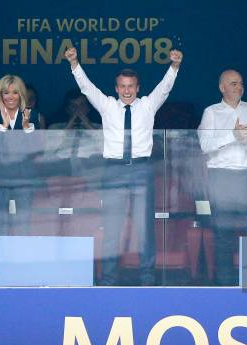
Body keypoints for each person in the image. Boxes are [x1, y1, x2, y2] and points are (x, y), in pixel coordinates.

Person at [65, 46, 183, 286]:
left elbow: (166, 87)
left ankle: (147, 279)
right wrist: (75, 63)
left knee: (144, 229)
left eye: (131, 86)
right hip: (113, 170)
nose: (127, 91)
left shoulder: (148, 105)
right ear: (116, 88)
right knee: (112, 228)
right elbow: (86, 87)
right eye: (123, 86)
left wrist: (174, 66)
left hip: (141, 169)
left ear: (138, 88)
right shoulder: (107, 105)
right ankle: (108, 280)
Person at [198, 69, 247, 286]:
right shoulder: (211, 112)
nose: (238, 87)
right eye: (233, 83)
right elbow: (205, 145)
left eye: (240, 83)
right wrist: (233, 135)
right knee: (222, 235)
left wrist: (245, 141)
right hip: (220, 178)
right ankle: (224, 285)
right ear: (222, 87)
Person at [0, 74, 41, 236]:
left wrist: (26, 127)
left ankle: (20, 260)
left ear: (21, 94)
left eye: (15, 92)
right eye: (6, 93)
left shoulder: (31, 115)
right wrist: (3, 126)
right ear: (0, 95)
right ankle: (2, 260)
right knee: (1, 224)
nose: (10, 97)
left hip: (24, 177)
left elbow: (36, 149)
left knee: (23, 223)